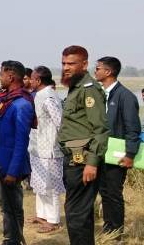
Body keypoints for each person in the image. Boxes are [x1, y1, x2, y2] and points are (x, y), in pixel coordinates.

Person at [57, 45, 109, 245]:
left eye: (71, 63)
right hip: (73, 160)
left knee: (76, 215)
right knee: (80, 214)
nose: (66, 67)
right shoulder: (76, 87)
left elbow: (100, 130)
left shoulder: (89, 90)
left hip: (83, 160)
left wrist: (92, 163)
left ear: (84, 64)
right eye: (63, 63)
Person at [94, 56, 141, 240]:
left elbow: (133, 128)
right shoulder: (100, 93)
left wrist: (130, 154)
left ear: (108, 72)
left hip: (117, 155)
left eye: (98, 68)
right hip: (100, 153)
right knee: (104, 192)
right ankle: (108, 228)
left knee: (113, 193)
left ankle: (117, 233)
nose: (95, 71)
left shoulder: (125, 96)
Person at [0, 61, 34, 245]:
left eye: (1, 74)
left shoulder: (21, 104)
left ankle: (14, 239)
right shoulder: (6, 100)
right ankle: (9, 238)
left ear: (10, 76)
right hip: (0, 163)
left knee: (13, 207)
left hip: (11, 166)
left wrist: (13, 171)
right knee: (6, 206)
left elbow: (21, 141)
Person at [28, 66, 65, 234]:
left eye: (33, 78)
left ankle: (54, 220)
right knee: (40, 184)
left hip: (50, 149)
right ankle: (42, 215)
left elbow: (59, 123)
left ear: (39, 81)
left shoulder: (49, 97)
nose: (30, 81)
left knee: (51, 186)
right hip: (38, 146)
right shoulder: (40, 95)